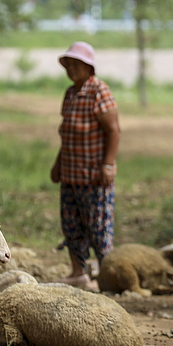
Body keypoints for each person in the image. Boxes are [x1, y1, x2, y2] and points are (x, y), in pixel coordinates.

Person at [51, 41, 120, 291]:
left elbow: (113, 131)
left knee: (98, 227)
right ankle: (79, 272)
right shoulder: (70, 94)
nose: (71, 69)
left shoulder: (99, 91)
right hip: (70, 174)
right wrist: (58, 164)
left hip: (93, 177)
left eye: (76, 64)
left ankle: (108, 275)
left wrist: (108, 165)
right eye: (68, 64)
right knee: (71, 225)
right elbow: (66, 134)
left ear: (88, 66)